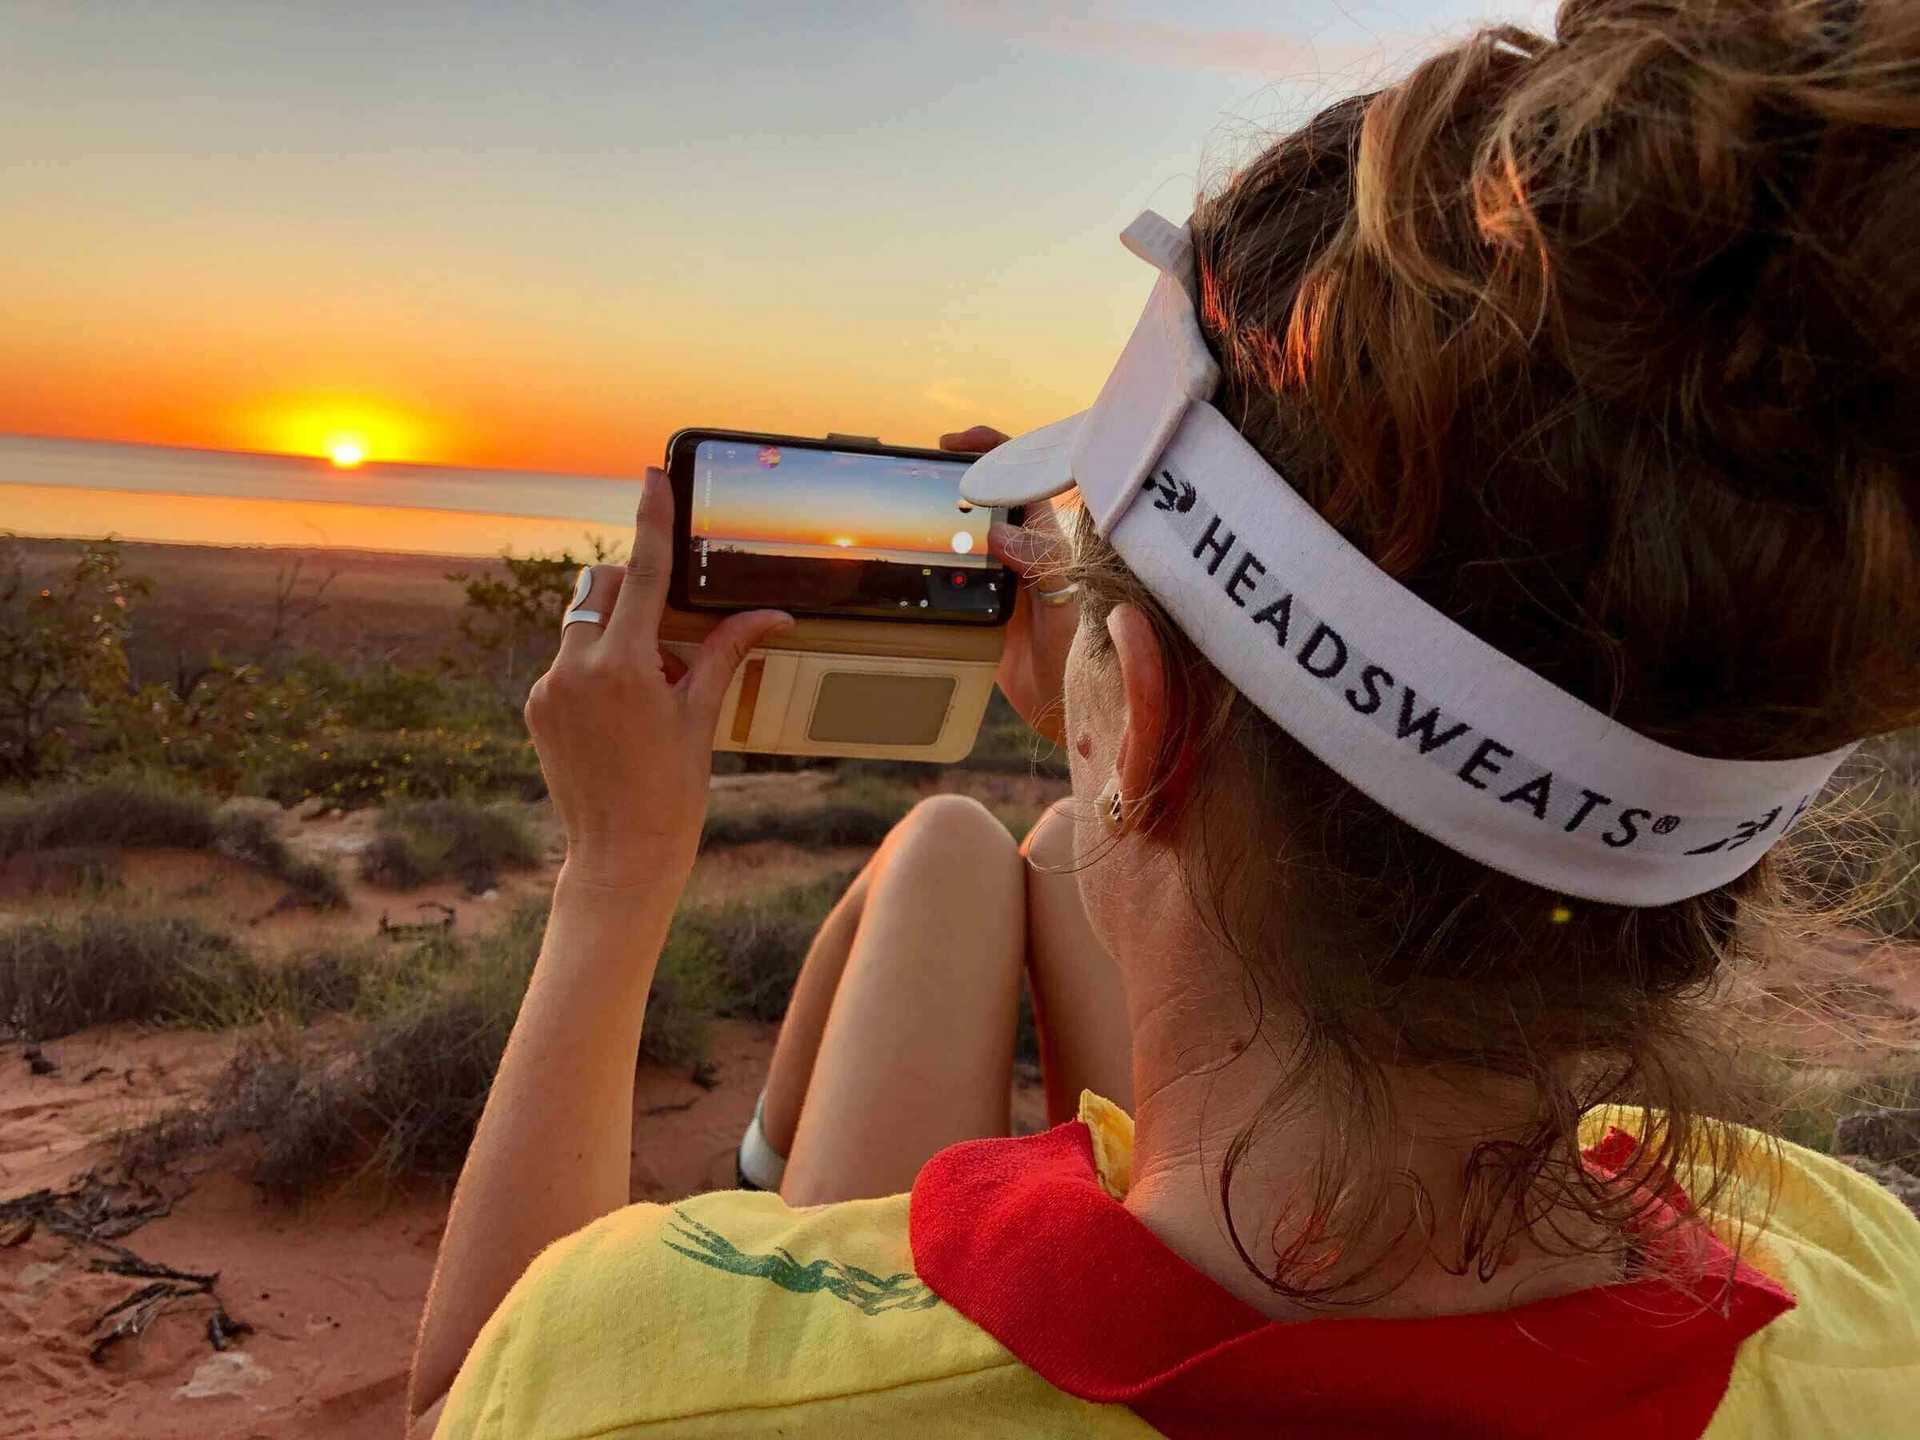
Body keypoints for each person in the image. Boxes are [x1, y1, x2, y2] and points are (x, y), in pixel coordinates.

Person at [410, 0, 1920, 1433]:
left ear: (1146, 720)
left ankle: (769, 1180)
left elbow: (463, 1398)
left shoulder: (660, 1388)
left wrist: (616, 874)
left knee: (977, 844)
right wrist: (1138, 723)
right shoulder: (1861, 1269)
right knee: (1058, 844)